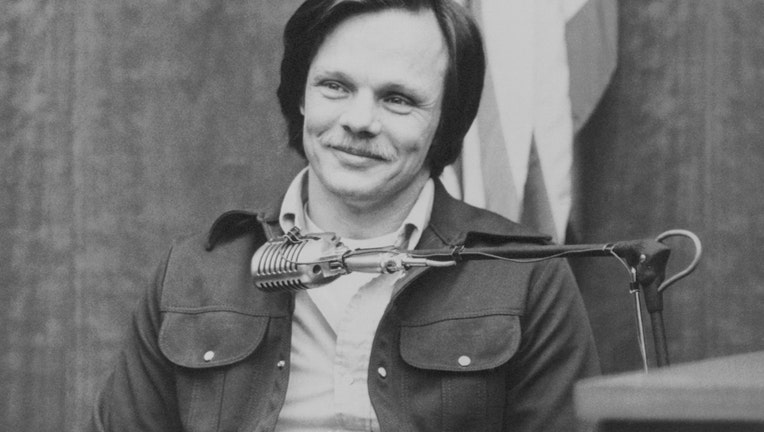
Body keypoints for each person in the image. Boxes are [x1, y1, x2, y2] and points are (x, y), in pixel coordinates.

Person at [90, 0, 600, 431]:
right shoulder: (193, 276)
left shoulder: (526, 276)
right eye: (335, 86)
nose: (358, 121)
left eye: (397, 99)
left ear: (447, 122)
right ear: (301, 97)